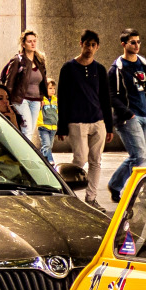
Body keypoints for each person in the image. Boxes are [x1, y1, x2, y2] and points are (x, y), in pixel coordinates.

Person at [57, 30, 113, 212]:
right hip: (76, 121)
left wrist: (109, 126)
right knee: (79, 161)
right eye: (87, 44)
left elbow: (106, 98)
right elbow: (62, 97)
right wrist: (61, 126)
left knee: (96, 161)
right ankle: (71, 197)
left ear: (97, 47)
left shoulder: (100, 69)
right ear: (80, 44)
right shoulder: (68, 68)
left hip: (97, 121)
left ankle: (91, 198)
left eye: (93, 45)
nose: (89, 48)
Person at [107, 28, 146, 203]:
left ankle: (117, 185)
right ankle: (133, 193)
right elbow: (111, 96)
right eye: (132, 42)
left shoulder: (144, 64)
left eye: (138, 42)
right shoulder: (117, 69)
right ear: (123, 44)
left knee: (138, 156)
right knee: (141, 157)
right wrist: (128, 114)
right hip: (128, 118)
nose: (137, 45)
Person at [0, 29, 48, 142]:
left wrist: (42, 97)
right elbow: (9, 82)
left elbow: (43, 81)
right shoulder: (18, 60)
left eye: (34, 41)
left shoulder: (39, 61)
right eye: (29, 41)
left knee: (29, 130)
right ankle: (26, 156)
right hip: (21, 99)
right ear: (23, 44)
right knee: (27, 129)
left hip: (36, 100)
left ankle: (22, 152)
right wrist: (8, 100)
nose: (32, 44)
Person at [35, 77, 59, 164]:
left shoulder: (55, 100)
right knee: (47, 145)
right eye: (50, 88)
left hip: (53, 127)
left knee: (49, 146)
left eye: (54, 88)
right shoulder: (41, 100)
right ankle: (49, 161)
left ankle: (41, 158)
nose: (53, 90)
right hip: (43, 126)